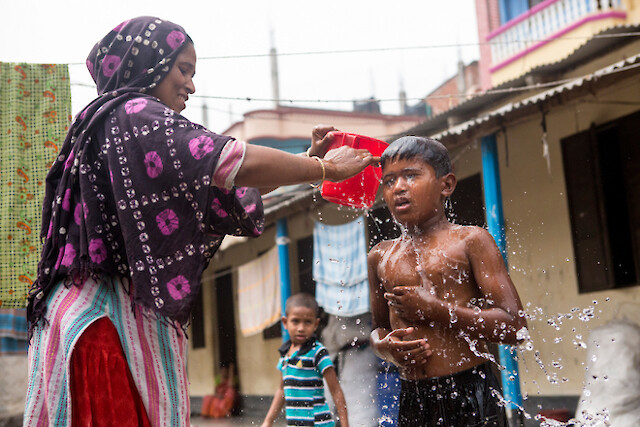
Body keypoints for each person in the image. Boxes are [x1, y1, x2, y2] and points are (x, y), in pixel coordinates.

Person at [24, 16, 378, 427]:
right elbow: (228, 161)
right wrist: (320, 167)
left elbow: (224, 191)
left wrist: (301, 159)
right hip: (103, 332)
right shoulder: (136, 113)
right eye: (183, 69)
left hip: (89, 320)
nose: (190, 85)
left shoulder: (111, 127)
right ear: (149, 64)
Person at [367, 136, 527, 427]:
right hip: (413, 396)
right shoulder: (379, 256)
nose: (398, 188)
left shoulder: (470, 240)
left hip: (470, 390)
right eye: (389, 181)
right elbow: (378, 328)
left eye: (411, 176)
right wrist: (386, 348)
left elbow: (515, 327)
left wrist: (438, 311)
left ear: (446, 185)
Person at [261, 293, 349, 427]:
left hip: (318, 424)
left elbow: (336, 390)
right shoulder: (285, 355)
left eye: (308, 322)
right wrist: (268, 421)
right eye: (295, 321)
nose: (301, 328)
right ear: (285, 322)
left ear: (316, 324)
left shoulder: (318, 353)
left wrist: (345, 425)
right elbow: (282, 390)